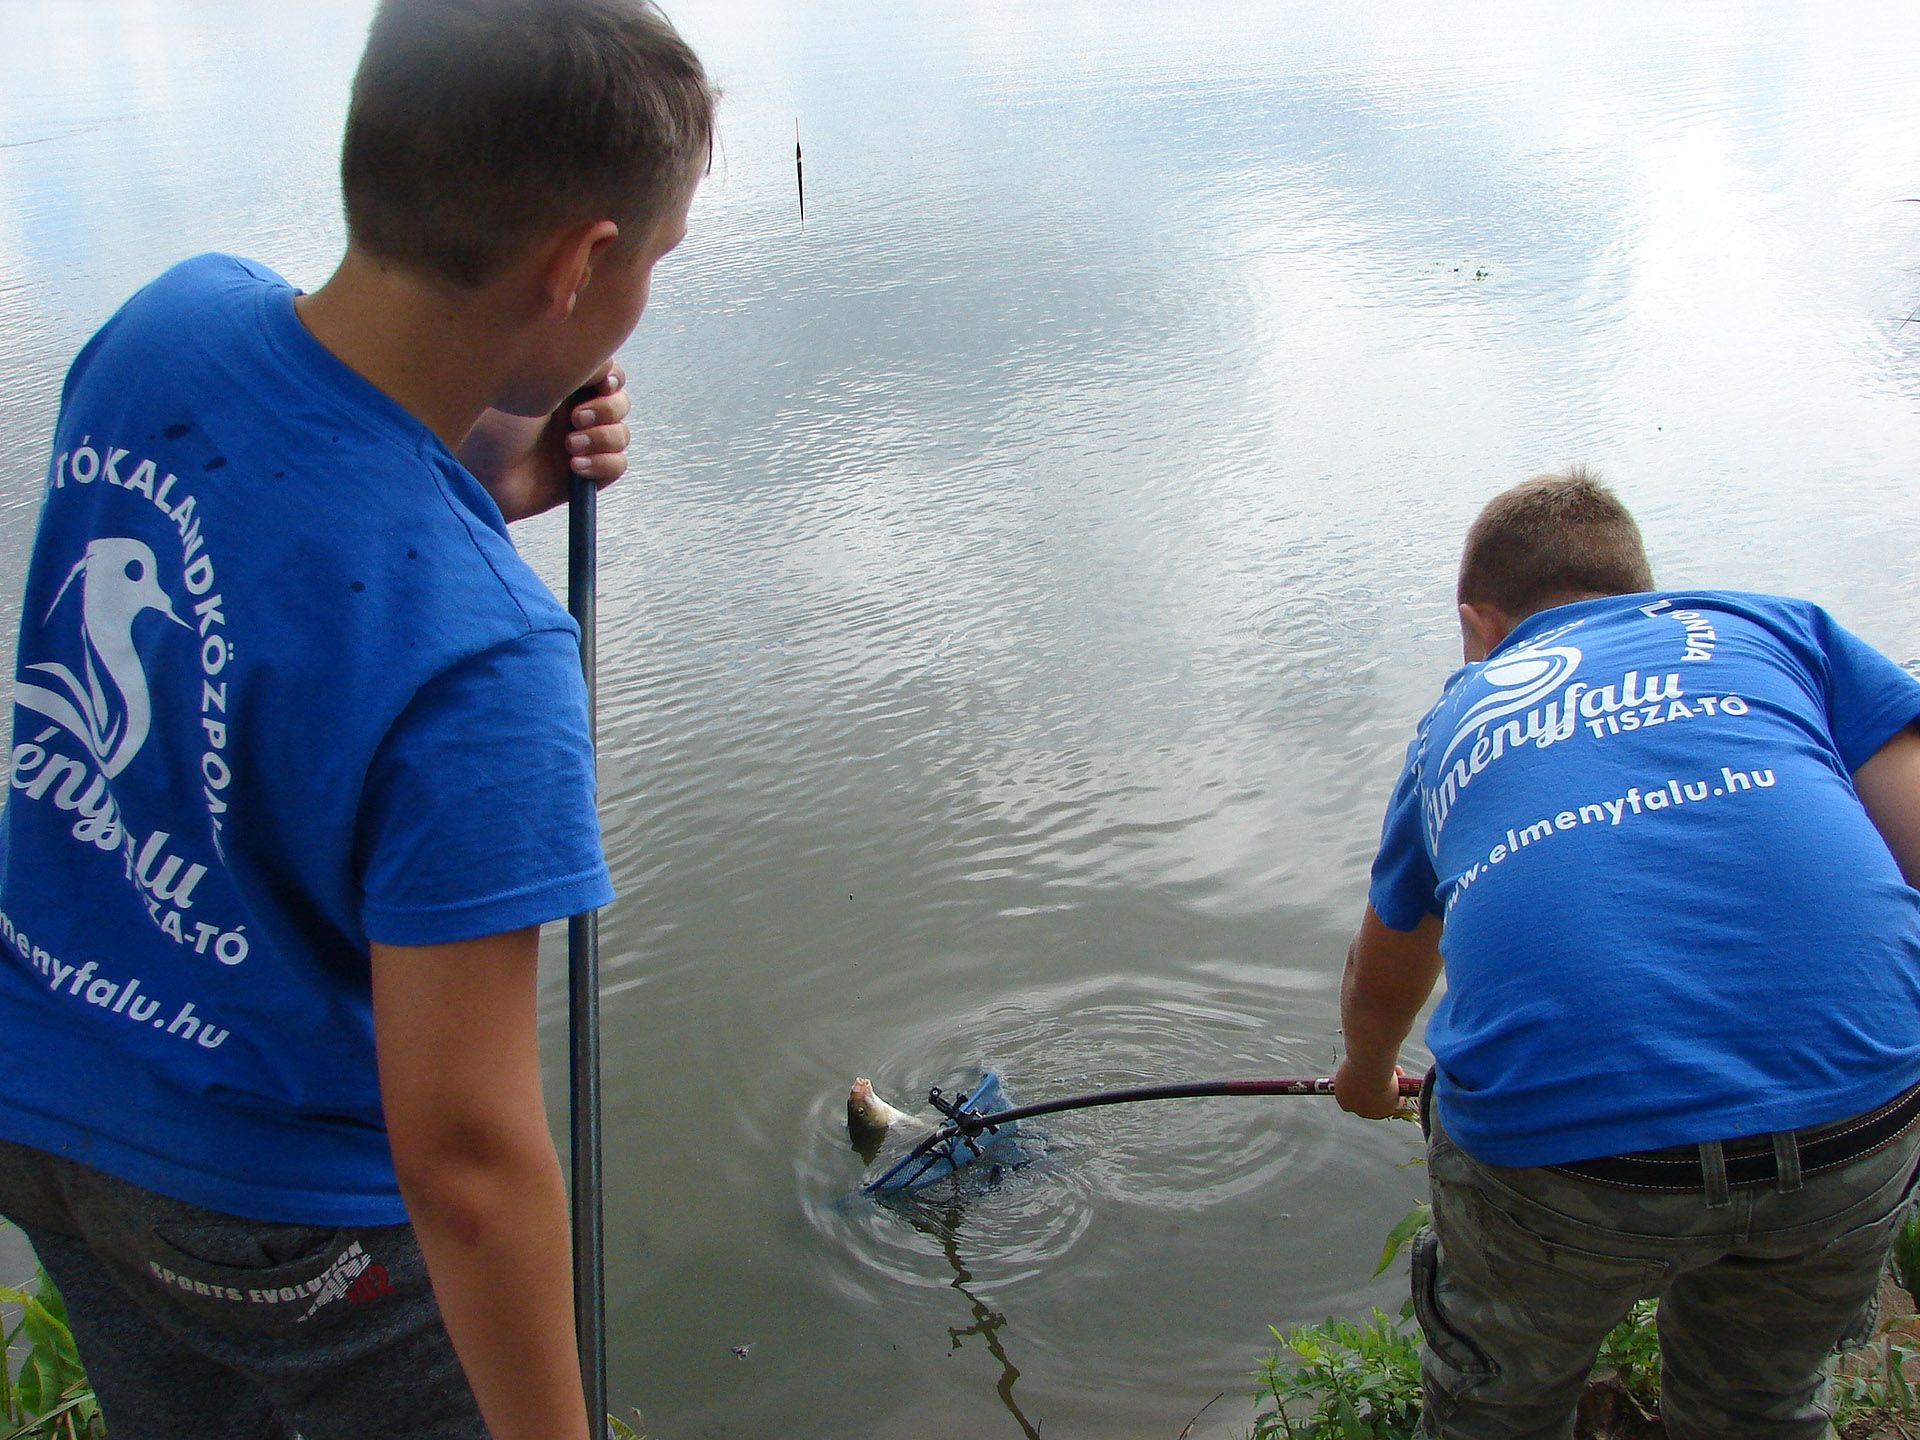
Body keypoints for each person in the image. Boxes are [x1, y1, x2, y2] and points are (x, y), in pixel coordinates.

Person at [0, 3, 714, 1438]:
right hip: (286, 1228)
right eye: (653, 260)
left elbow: (282, 551)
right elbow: (463, 1158)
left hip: (47, 1108)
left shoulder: (166, 323)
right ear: (579, 263)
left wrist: (484, 484)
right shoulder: (489, 666)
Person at [1333, 469, 1920, 1439]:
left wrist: (1364, 1079)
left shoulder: (1457, 720)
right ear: (1643, 590)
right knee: (1761, 1409)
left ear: (1479, 624)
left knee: (1501, 1404)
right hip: (1855, 1111)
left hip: (1563, 1154)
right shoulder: (1778, 632)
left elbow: (1385, 969)